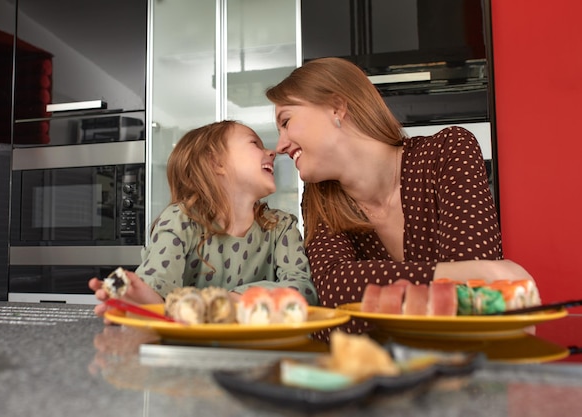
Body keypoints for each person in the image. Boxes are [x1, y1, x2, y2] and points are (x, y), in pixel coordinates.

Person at [265, 57, 534, 336]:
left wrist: (470, 280)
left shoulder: (448, 152)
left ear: (337, 107)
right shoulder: (318, 196)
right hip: (366, 372)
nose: (280, 146)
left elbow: (469, 302)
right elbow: (335, 290)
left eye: (286, 121)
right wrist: (463, 276)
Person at [89, 120, 317, 318]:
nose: (272, 152)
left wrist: (232, 299)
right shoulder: (180, 220)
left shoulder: (281, 227)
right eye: (254, 144)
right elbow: (156, 281)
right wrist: (137, 297)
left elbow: (304, 289)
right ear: (216, 163)